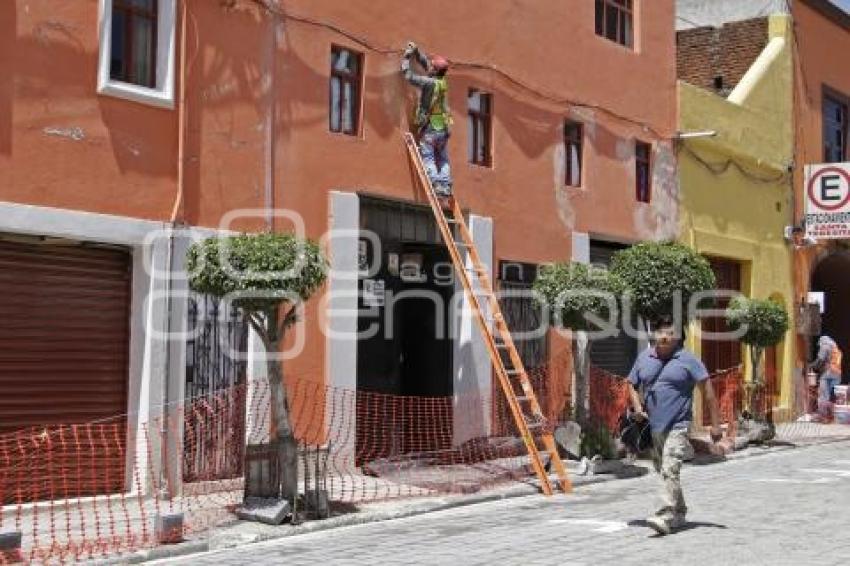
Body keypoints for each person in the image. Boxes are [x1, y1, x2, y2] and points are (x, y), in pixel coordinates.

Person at [627, 315, 722, 536]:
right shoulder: (644, 358)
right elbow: (631, 383)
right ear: (654, 334)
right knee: (665, 472)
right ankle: (680, 511)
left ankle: (665, 514)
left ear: (677, 336)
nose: (665, 337)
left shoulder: (688, 360)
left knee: (670, 469)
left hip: (679, 424)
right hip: (654, 426)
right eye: (661, 332)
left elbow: (708, 392)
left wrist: (716, 425)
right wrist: (637, 406)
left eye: (670, 333)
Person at [401, 41, 454, 207]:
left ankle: (436, 184)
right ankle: (445, 186)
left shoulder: (428, 83)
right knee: (443, 158)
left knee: (429, 157)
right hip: (444, 128)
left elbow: (408, 75)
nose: (428, 66)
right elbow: (426, 64)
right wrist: (417, 51)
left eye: (432, 66)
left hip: (430, 128)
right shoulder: (442, 82)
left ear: (435, 70)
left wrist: (407, 56)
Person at [810, 335, 843, 409]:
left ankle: (823, 414)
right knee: (832, 396)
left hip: (828, 374)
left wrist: (812, 366)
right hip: (837, 374)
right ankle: (830, 414)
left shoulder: (825, 346)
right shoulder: (835, 348)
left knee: (823, 395)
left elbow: (820, 360)